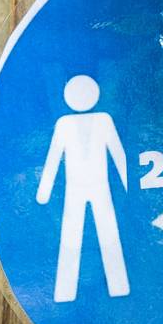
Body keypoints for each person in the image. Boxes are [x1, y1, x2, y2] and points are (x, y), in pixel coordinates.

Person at [36, 74, 130, 303]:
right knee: (73, 235)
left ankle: (118, 286)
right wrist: (44, 190)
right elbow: (54, 157)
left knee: (106, 234)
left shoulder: (103, 120)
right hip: (76, 188)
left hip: (99, 186)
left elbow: (119, 153)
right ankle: (66, 291)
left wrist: (129, 184)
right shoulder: (66, 124)